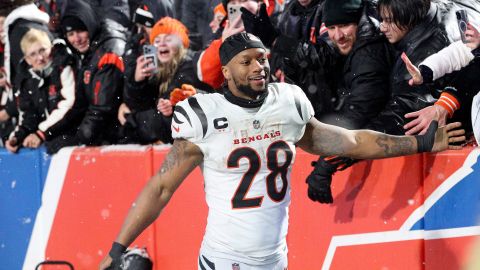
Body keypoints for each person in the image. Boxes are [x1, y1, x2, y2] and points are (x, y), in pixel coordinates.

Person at [99, 33, 465, 269]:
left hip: (275, 260)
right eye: (248, 61)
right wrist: (116, 251)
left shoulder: (286, 102)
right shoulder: (205, 116)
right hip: (226, 260)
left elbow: (351, 141)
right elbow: (161, 188)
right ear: (225, 72)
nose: (259, 66)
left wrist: (419, 142)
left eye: (262, 58)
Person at [120, 17, 212, 144]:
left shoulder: (190, 66)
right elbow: (141, 105)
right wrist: (137, 82)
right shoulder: (160, 71)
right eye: (157, 41)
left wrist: (130, 120)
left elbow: (162, 113)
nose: (161, 44)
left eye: (168, 39)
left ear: (181, 45)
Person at [59, 0, 126, 147]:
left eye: (81, 31)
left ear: (90, 25)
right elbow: (79, 107)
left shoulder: (109, 49)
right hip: (105, 134)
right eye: (70, 34)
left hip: (119, 137)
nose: (76, 39)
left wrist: (79, 140)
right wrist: (47, 133)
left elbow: (102, 109)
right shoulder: (88, 53)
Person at [5, 29, 77, 154]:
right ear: (27, 59)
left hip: (71, 136)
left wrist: (41, 134)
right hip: (49, 137)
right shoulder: (27, 80)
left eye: (42, 50)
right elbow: (29, 115)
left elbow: (68, 106)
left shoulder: (64, 67)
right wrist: (17, 137)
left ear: (51, 48)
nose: (39, 58)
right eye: (32, 54)